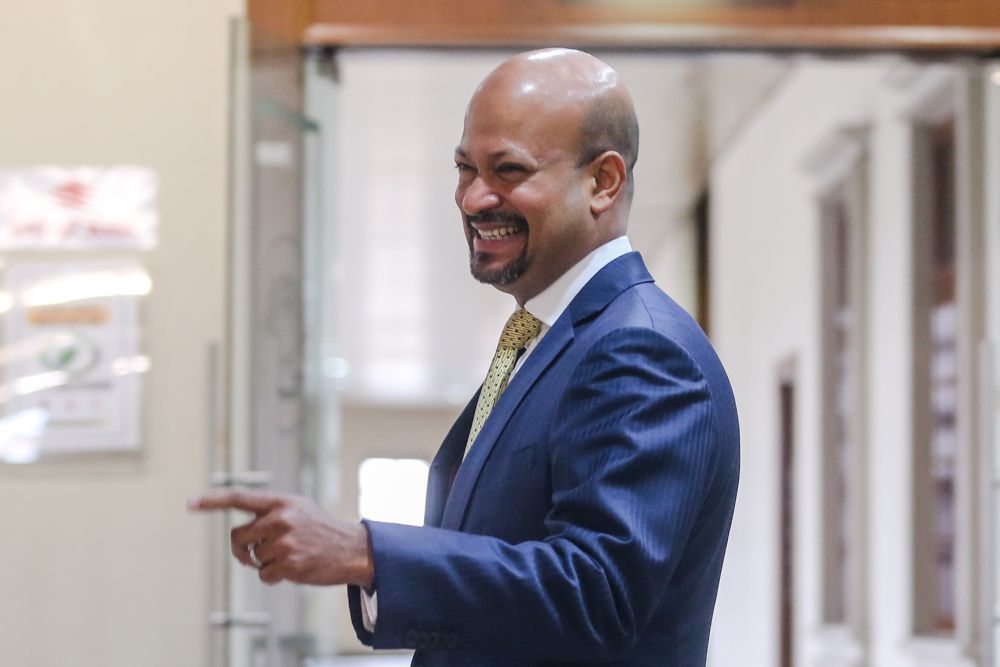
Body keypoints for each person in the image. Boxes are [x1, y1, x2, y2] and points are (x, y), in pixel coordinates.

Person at [190, 48, 739, 667]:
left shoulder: (640, 347)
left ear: (602, 182)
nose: (475, 198)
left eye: (508, 170)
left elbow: (597, 593)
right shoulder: (550, 337)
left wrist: (365, 552)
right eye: (464, 168)